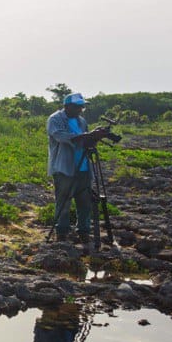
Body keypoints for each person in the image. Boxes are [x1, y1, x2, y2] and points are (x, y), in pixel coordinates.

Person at [47, 92, 107, 243]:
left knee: (85, 203)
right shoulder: (55, 119)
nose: (80, 110)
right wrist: (88, 135)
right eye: (78, 107)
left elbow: (86, 143)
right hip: (64, 168)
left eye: (82, 107)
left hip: (84, 167)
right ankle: (62, 233)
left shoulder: (81, 121)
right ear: (67, 106)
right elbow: (61, 136)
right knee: (64, 203)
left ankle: (84, 232)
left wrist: (95, 137)